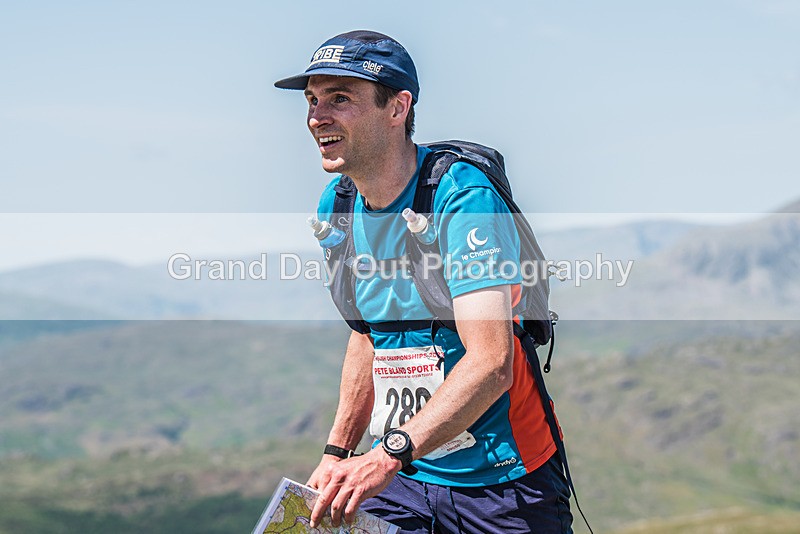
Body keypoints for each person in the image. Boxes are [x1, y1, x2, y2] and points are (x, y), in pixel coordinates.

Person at [275, 30, 573, 533]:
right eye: (312, 100)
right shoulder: (338, 205)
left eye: (340, 99)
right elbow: (370, 332)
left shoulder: (461, 196)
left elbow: (492, 363)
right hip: (406, 477)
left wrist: (385, 456)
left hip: (502, 481)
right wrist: (338, 451)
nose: (316, 117)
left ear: (398, 107)